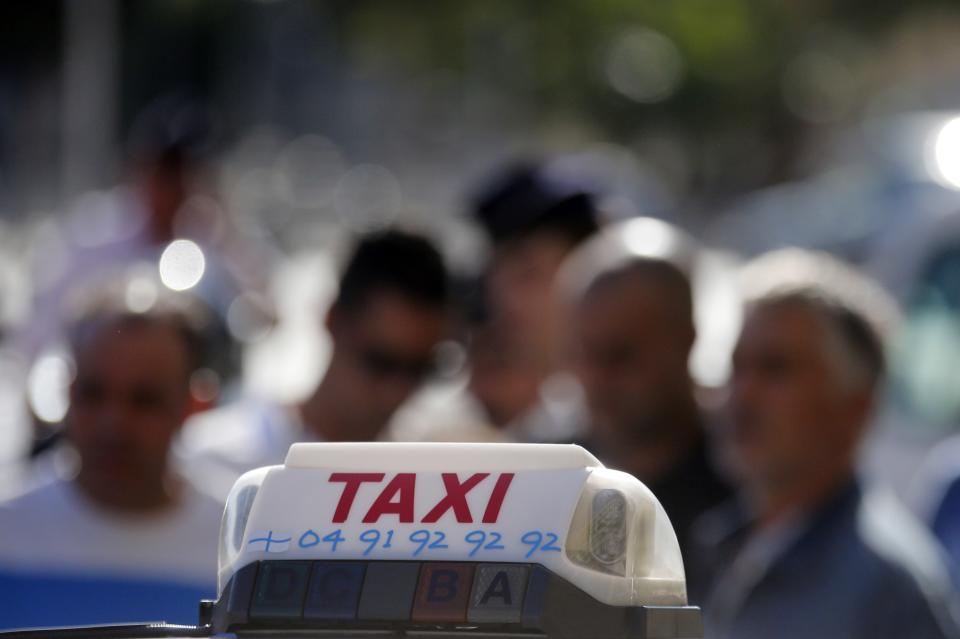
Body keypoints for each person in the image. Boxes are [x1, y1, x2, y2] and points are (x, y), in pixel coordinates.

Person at [695, 249, 958, 639]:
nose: (741, 396)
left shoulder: (890, 591)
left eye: (775, 368)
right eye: (737, 367)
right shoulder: (717, 547)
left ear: (855, 406)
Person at [0, 288, 224, 628]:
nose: (113, 424)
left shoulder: (238, 548)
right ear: (67, 392)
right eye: (93, 393)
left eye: (144, 399)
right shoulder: (7, 531)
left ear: (194, 406)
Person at [180, 229, 450, 494]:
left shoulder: (426, 486)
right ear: (332, 320)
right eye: (381, 362)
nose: (397, 392)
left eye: (421, 369)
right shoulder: (209, 461)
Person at [562, 219, 732, 591]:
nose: (597, 377)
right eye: (584, 353)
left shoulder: (747, 487)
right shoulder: (549, 476)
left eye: (620, 354)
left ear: (686, 340)